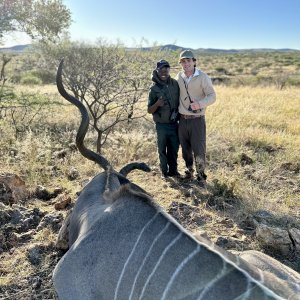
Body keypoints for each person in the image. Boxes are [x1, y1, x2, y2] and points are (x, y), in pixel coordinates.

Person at [175, 50, 216, 185]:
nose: (186, 63)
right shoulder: (179, 77)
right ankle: (189, 172)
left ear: (194, 61)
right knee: (185, 149)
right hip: (182, 120)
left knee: (199, 149)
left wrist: (200, 104)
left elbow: (212, 96)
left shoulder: (203, 77)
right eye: (183, 61)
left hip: (197, 120)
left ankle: (201, 176)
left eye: (188, 60)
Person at [148, 59, 180, 178]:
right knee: (162, 150)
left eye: (166, 69)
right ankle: (164, 173)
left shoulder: (175, 84)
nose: (164, 71)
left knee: (174, 149)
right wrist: (157, 104)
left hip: (174, 123)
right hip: (161, 125)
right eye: (161, 69)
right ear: (157, 70)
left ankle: (174, 172)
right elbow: (149, 110)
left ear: (169, 70)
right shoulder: (153, 88)